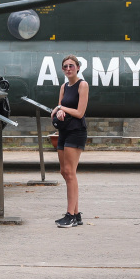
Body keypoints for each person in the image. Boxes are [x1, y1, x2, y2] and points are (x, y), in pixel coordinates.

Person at [53, 55, 89, 228]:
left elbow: (80, 113)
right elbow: (60, 109)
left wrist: (61, 108)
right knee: (64, 172)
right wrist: (60, 112)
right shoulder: (63, 87)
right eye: (65, 66)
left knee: (70, 172)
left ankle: (70, 215)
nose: (68, 69)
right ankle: (76, 214)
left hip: (76, 131)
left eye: (71, 66)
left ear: (78, 68)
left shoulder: (83, 85)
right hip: (64, 131)